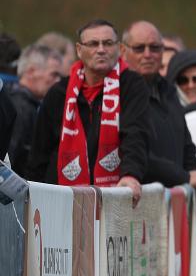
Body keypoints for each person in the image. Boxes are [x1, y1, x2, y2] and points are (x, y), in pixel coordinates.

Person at [27, 19, 149, 204]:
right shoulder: (59, 93)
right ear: (79, 50)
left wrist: (131, 174)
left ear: (119, 49)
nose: (101, 49)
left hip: (114, 198)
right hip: (62, 201)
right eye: (93, 44)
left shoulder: (132, 85)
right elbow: (39, 153)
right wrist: (33, 198)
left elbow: (135, 133)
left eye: (108, 43)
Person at [122, 21, 196, 199]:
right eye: (139, 48)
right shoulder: (118, 93)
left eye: (155, 48)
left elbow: (187, 148)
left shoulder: (170, 91)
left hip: (171, 204)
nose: (148, 54)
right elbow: (136, 155)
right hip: (137, 201)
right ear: (123, 51)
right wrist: (185, 177)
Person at [7, 45, 64, 174]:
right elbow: (9, 160)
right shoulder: (21, 109)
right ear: (31, 71)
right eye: (54, 74)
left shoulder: (16, 101)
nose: (58, 81)